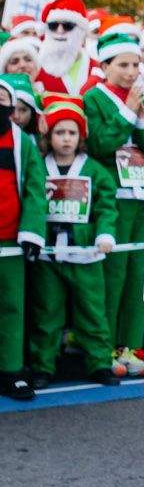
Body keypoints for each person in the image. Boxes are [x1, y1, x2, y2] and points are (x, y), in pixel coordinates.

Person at [83, 22, 144, 376]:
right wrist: (128, 113)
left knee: (139, 273)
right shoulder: (94, 99)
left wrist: (142, 115)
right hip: (112, 197)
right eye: (123, 65)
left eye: (135, 65)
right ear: (105, 66)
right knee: (112, 274)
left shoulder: (142, 99)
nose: (131, 72)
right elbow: (99, 142)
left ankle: (131, 345)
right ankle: (107, 346)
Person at [29, 94, 118, 388]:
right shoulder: (39, 166)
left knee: (92, 311)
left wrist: (105, 233)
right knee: (47, 312)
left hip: (85, 254)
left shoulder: (94, 169)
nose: (66, 139)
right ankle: (43, 364)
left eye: (71, 132)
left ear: (80, 135)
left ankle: (100, 362)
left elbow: (106, 206)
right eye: (59, 132)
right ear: (48, 135)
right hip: (48, 256)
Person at [0, 76, 47, 400]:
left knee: (12, 307)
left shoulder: (22, 142)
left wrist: (31, 233)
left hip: (9, 243)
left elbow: (34, 189)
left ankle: (11, 369)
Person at [35, 0, 96, 98]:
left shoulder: (96, 68)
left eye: (68, 26)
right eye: (53, 25)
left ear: (81, 31)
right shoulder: (34, 65)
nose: (59, 31)